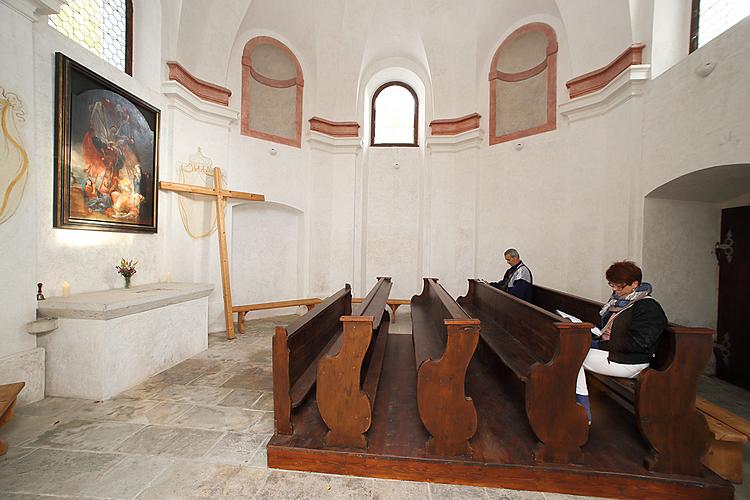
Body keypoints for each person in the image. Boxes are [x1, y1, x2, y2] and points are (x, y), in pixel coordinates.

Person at [575, 261, 667, 423]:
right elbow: (608, 330)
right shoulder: (620, 302)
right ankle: (576, 405)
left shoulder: (648, 308)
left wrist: (599, 344)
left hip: (630, 361)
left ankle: (583, 412)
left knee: (573, 357)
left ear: (634, 284)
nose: (615, 290)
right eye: (612, 285)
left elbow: (638, 344)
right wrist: (593, 335)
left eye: (619, 286)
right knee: (569, 352)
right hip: (611, 352)